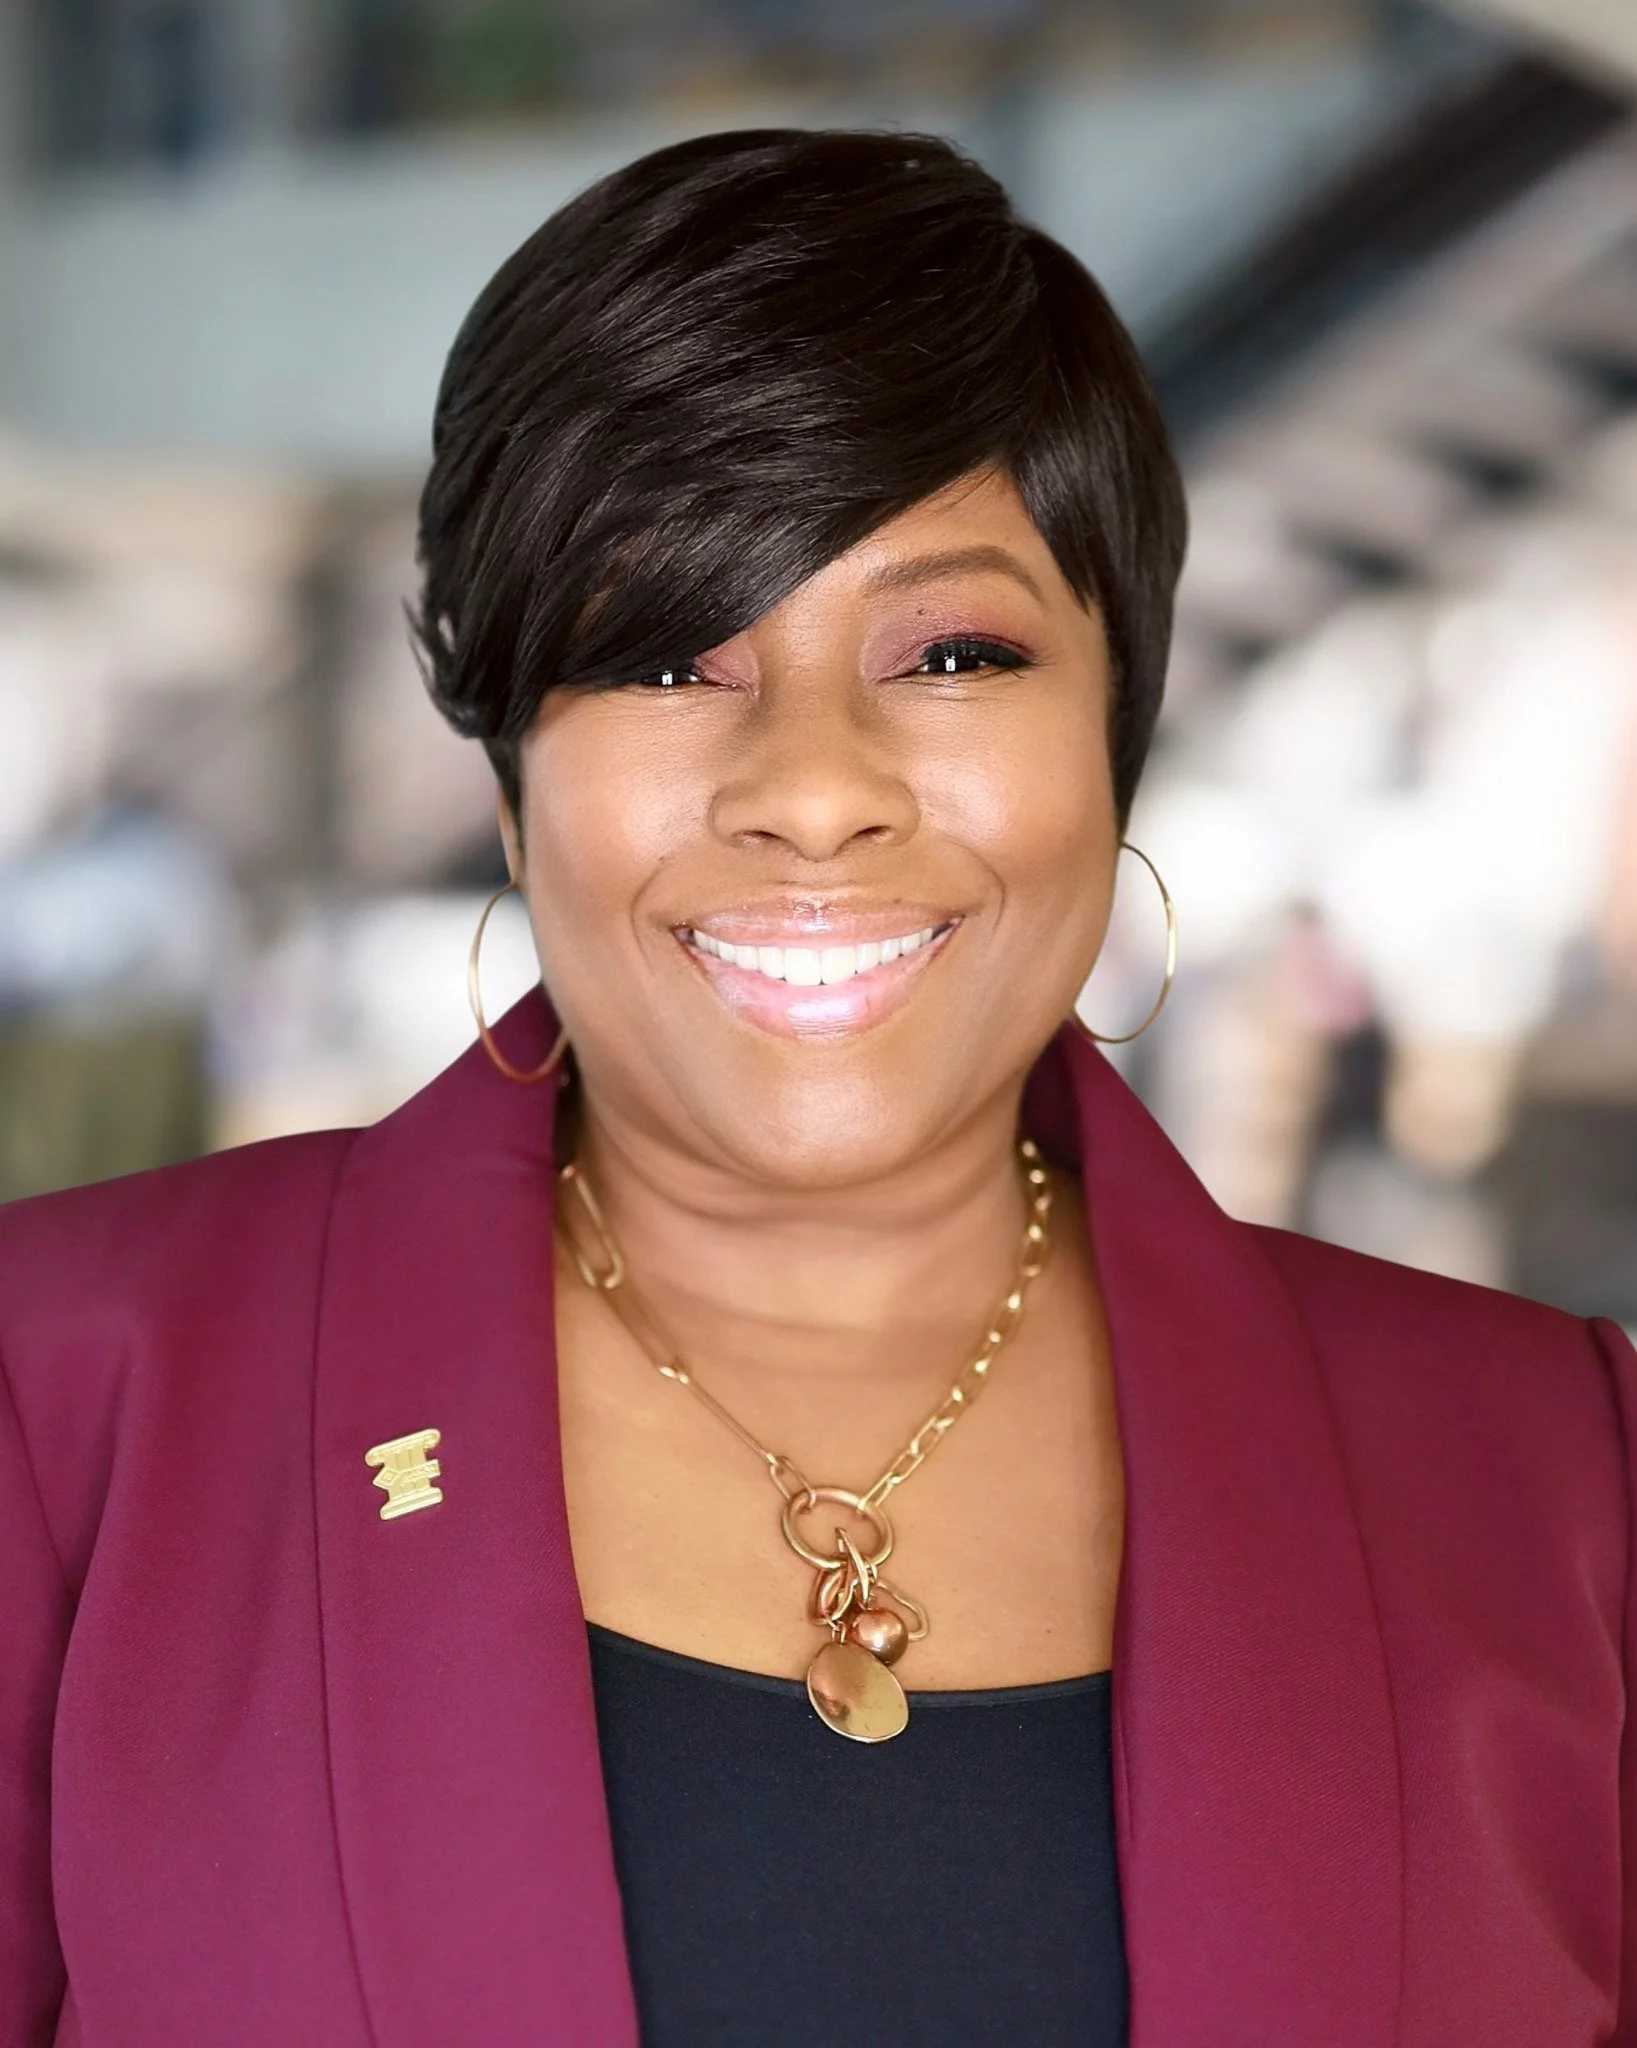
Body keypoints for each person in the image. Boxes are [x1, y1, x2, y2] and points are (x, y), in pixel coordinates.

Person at [0, 129, 1631, 2048]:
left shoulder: (1560, 1479)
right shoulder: (64, 1401)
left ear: (1116, 730)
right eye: (671, 660)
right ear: (516, 775)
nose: (810, 785)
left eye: (950, 651)